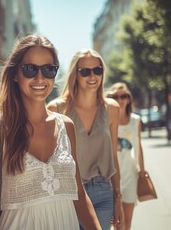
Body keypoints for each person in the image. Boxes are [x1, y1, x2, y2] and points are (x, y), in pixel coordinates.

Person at [0, 34, 101, 230]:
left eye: (48, 70)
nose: (40, 78)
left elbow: (79, 195)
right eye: (30, 69)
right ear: (15, 74)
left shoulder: (66, 126)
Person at [47, 48, 123, 230]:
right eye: (85, 71)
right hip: (69, 192)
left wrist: (118, 197)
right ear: (75, 75)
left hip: (103, 191)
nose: (92, 76)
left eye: (97, 70)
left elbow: (113, 154)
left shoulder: (112, 108)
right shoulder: (57, 109)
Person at [106, 82, 146, 230]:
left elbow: (139, 146)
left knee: (126, 222)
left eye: (124, 96)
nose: (120, 99)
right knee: (116, 223)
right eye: (116, 96)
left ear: (128, 99)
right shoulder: (105, 119)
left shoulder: (135, 120)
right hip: (111, 176)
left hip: (130, 175)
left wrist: (141, 170)